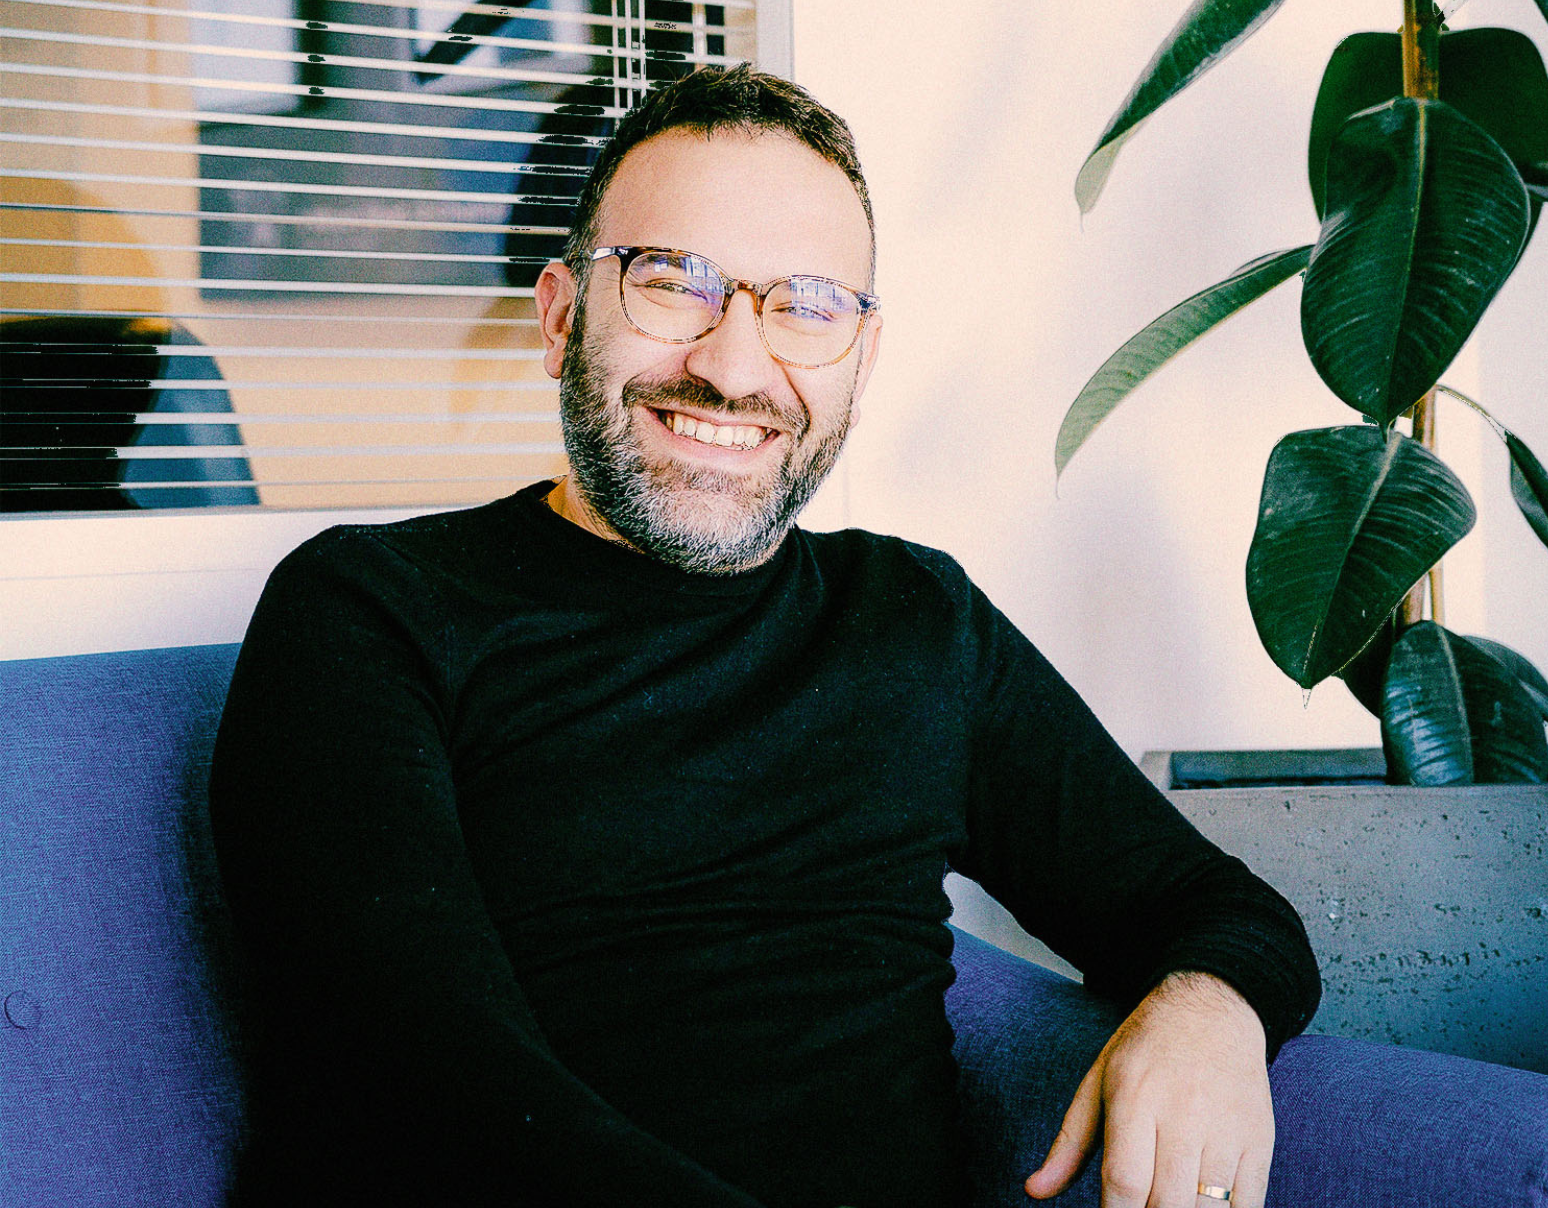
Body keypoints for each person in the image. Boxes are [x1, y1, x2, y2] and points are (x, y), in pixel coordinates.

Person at [209, 65, 1320, 1208]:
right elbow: (431, 1087)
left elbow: (1215, 906)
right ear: (559, 316)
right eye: (671, 283)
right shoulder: (371, 610)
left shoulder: (915, 620)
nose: (733, 367)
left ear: (861, 361)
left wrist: (1207, 1007)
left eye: (806, 306)